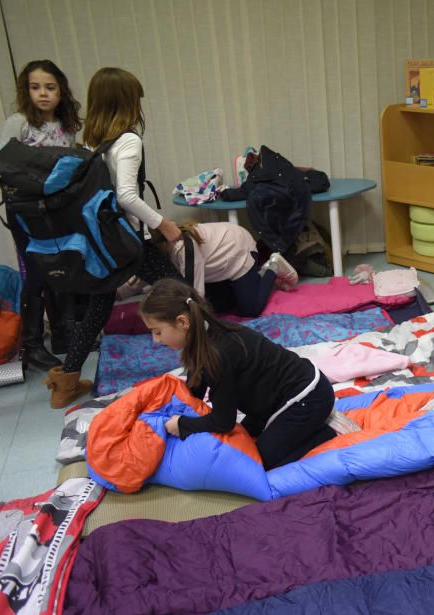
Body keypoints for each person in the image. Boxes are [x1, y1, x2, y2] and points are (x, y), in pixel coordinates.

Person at [45, 67, 184, 408]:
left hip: (100, 242)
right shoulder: (128, 140)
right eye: (135, 98)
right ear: (125, 102)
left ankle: (66, 382)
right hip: (125, 243)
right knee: (183, 294)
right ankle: (209, 355)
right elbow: (125, 196)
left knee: (98, 306)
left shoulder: (92, 141)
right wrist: (162, 223)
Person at [140, 278, 337, 470]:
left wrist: (182, 425)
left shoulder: (217, 354)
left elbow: (223, 421)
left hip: (308, 397)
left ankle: (327, 431)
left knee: (258, 462)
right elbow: (194, 393)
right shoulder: (202, 339)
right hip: (273, 400)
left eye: (157, 332)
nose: (155, 340)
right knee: (245, 438)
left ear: (182, 322)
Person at [0, 60, 84, 370]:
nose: (43, 94)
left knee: (61, 265)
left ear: (61, 91)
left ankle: (63, 333)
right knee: (35, 271)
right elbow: (3, 164)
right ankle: (32, 346)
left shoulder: (66, 125)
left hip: (56, 209)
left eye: (50, 87)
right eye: (35, 87)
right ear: (26, 91)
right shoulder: (18, 122)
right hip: (26, 210)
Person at [160, 221, 298, 318]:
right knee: (219, 305)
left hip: (239, 249)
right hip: (218, 263)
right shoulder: (169, 249)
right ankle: (249, 284)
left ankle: (274, 266)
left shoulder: (183, 249)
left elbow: (196, 294)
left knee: (251, 309)